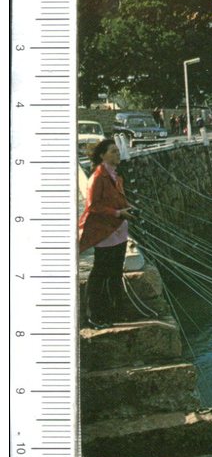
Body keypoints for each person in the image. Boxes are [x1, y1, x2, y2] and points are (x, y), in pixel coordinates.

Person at [78, 139, 137, 328]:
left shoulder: (114, 175)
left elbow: (115, 200)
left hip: (118, 230)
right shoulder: (97, 176)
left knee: (115, 273)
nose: (117, 154)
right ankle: (94, 315)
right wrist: (118, 213)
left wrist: (127, 207)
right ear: (102, 155)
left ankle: (116, 312)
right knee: (100, 274)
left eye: (118, 151)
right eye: (113, 151)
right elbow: (93, 206)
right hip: (105, 232)